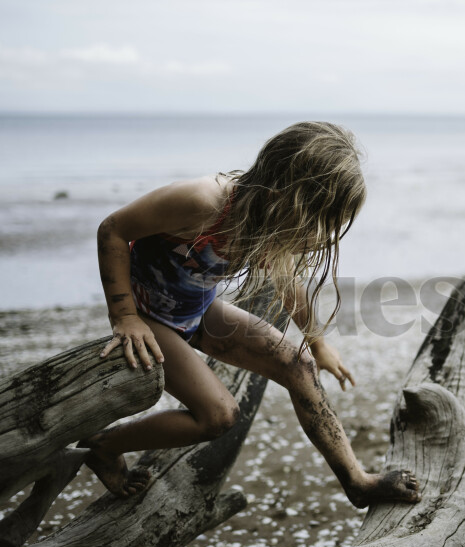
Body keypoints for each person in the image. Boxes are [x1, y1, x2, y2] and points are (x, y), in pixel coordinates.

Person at [80, 121, 420, 507]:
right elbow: (112, 229)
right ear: (286, 197)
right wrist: (124, 316)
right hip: (150, 316)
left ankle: (357, 481)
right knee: (218, 416)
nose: (322, 237)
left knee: (300, 366)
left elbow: (287, 281)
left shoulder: (269, 221)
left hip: (199, 310)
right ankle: (104, 445)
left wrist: (317, 342)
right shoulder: (201, 202)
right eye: (318, 222)